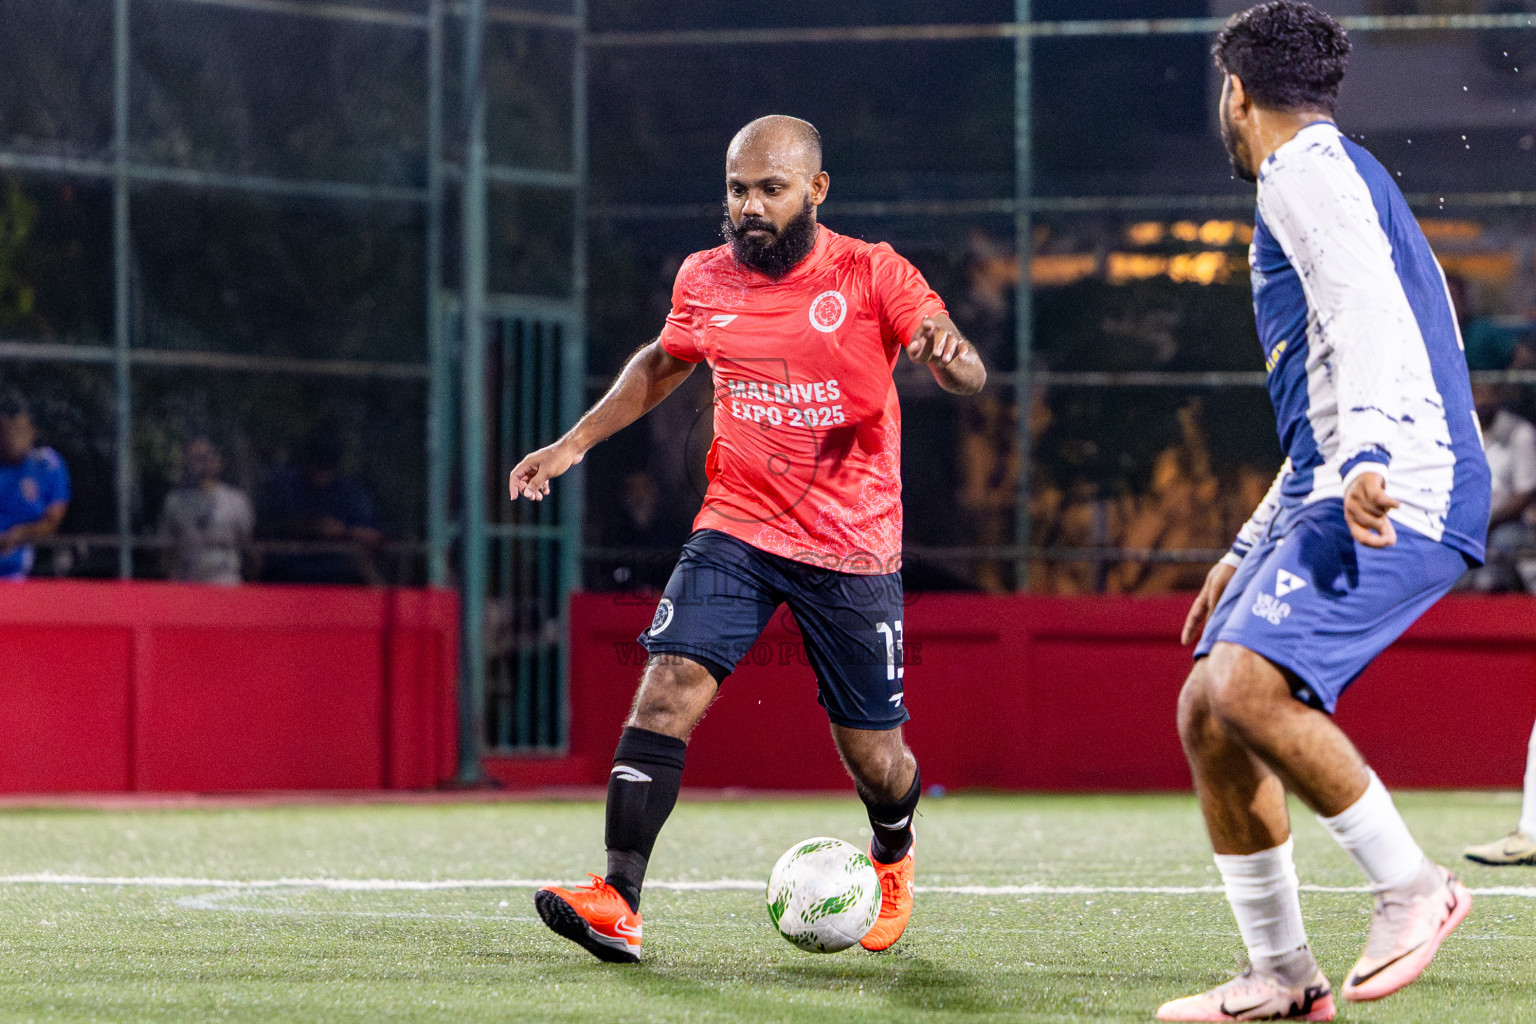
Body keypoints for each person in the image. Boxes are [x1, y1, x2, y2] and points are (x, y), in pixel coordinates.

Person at [510, 115, 986, 963]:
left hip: (852, 548)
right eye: (738, 189)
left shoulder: (872, 272)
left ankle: (894, 853)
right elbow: (663, 362)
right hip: (738, 527)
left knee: (874, 757)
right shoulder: (706, 278)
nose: (751, 206)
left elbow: (963, 368)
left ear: (816, 190)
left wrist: (951, 358)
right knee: (666, 688)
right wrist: (573, 442)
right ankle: (618, 899)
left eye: (771, 189)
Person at [1158, 4, 1491, 1020]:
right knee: (1208, 709)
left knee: (1246, 685)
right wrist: (1247, 546)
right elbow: (1321, 415)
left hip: (1410, 484)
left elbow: (1368, 318)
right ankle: (1283, 974)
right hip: (1350, 472)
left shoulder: (1303, 170)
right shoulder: (1323, 175)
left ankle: (1414, 887)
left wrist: (1376, 456)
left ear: (1236, 93)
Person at [259, 428, 384, 585]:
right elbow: (262, 530)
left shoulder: (352, 493)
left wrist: (344, 532)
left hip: (337, 577)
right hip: (285, 578)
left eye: (327, 465)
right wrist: (305, 526)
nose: (320, 473)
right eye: (316, 463)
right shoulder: (284, 488)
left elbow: (375, 537)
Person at [1463, 381, 1536, 593]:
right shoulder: (1460, 431)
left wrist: (1490, 521)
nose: (1480, 401)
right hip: (1467, 523)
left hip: (1510, 523)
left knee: (1499, 548)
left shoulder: (1519, 432)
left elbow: (1526, 493)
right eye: (1475, 394)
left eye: (1486, 393)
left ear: (1497, 396)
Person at [158, 435, 255, 585]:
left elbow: (248, 545)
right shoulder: (175, 502)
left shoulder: (236, 501)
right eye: (195, 458)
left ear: (218, 460)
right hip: (186, 585)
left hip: (225, 583)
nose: (201, 464)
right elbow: (166, 550)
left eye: (205, 457)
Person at [0, 387, 69, 580]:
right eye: (8, 431)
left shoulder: (47, 465)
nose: (14, 439)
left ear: (32, 432)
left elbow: (53, 520)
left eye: (20, 431)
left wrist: (19, 534)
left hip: (27, 573)